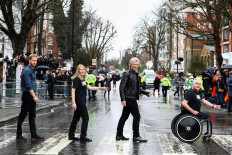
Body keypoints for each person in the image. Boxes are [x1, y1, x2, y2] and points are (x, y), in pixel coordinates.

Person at [116, 57, 152, 142]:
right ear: (130, 65)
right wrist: (123, 99)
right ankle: (136, 136)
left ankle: (119, 135)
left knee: (124, 117)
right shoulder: (127, 74)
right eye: (134, 64)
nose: (135, 66)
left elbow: (137, 89)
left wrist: (146, 93)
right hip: (129, 99)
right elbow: (122, 87)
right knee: (137, 116)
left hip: (131, 98)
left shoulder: (136, 75)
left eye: (136, 64)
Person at [69, 64, 108, 142]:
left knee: (75, 119)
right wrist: (73, 102)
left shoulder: (83, 80)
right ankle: (83, 137)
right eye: (81, 69)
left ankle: (71, 136)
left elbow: (90, 87)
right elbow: (73, 90)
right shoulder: (77, 79)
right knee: (86, 118)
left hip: (82, 101)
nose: (83, 71)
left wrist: (102, 88)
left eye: (84, 69)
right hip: (79, 102)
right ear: (78, 71)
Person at [16, 54, 44, 141]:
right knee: (22, 115)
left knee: (32, 116)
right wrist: (34, 96)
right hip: (28, 96)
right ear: (29, 60)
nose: (35, 62)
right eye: (33, 60)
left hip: (31, 96)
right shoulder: (27, 71)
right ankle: (18, 136)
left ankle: (33, 135)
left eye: (36, 61)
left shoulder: (33, 70)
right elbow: (28, 86)